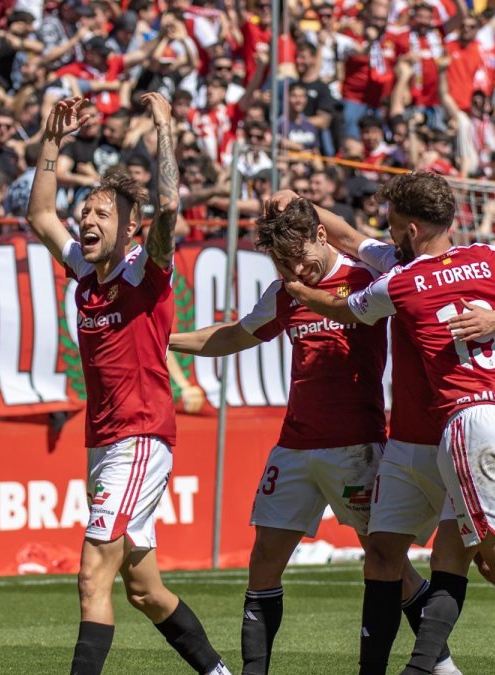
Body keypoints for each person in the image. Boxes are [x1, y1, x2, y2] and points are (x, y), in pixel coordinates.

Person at [285, 172, 495, 675]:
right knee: (394, 554)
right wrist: (299, 203)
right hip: (425, 436)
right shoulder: (493, 258)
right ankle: (420, 667)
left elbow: (341, 306)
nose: (383, 236)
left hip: (463, 426)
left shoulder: (400, 281)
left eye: (390, 226)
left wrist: (289, 284)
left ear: (408, 229)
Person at [27, 93, 230, 675]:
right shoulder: (87, 274)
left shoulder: (145, 268)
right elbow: (41, 216)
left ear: (130, 228)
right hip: (103, 441)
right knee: (144, 590)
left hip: (139, 439)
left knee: (93, 575)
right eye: (85, 212)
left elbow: (168, 207)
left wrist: (165, 128)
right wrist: (51, 141)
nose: (86, 220)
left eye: (100, 214)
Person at [168, 197, 392, 675]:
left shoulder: (367, 279)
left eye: (300, 256)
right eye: (284, 262)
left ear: (321, 237)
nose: (296, 269)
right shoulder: (285, 291)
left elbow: (360, 240)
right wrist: (161, 338)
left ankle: (437, 660)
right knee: (264, 559)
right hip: (294, 447)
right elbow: (233, 335)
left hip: (357, 446)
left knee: (385, 558)